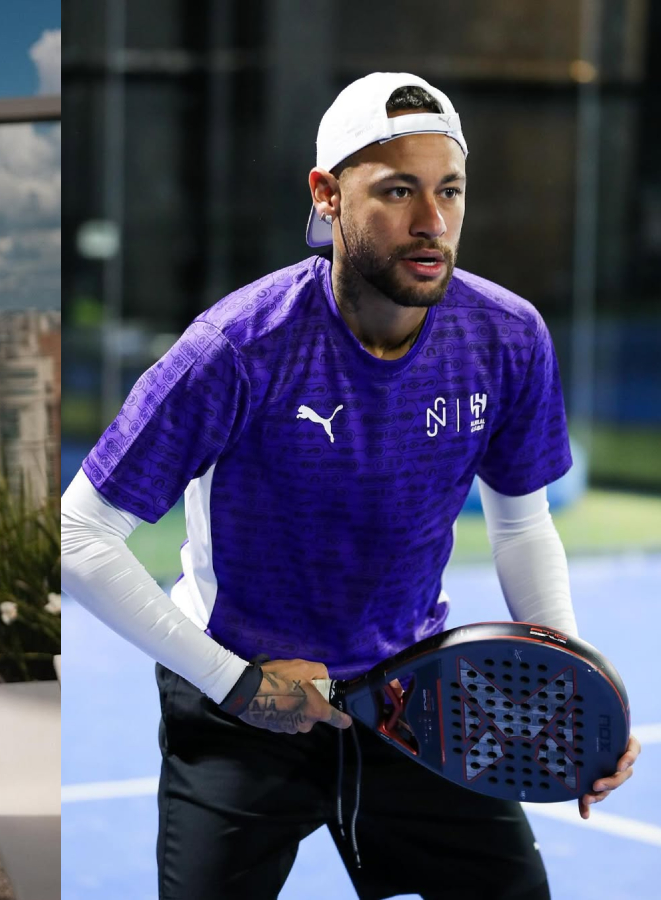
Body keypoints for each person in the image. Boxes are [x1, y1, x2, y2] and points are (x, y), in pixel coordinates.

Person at [60, 72, 640, 900]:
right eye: (398, 190)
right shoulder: (235, 348)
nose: (432, 222)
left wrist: (570, 685)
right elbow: (80, 535)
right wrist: (242, 686)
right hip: (236, 707)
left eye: (450, 190)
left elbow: (520, 525)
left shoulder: (507, 336)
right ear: (327, 195)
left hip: (418, 701)